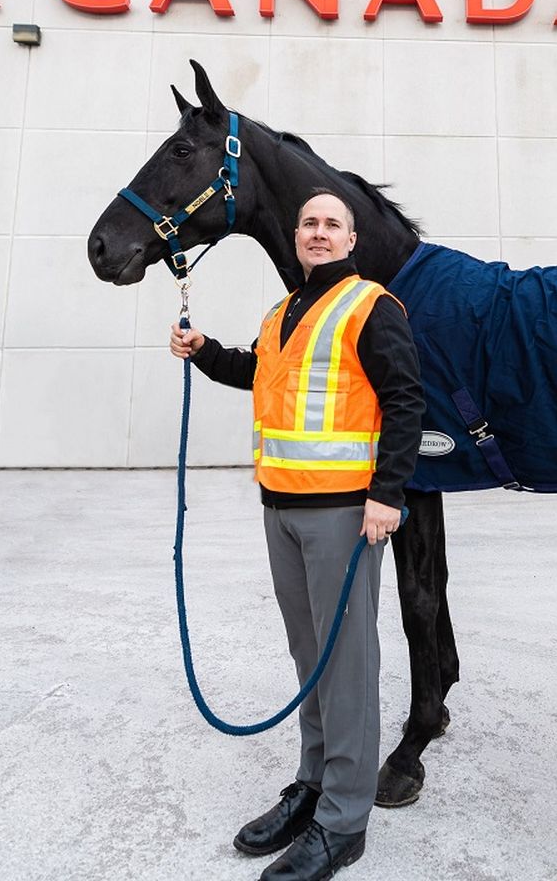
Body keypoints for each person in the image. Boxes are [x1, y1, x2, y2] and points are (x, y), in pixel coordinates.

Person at [169, 188, 424, 881]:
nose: (317, 232)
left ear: (350, 241)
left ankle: (344, 821)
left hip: (346, 514)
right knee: (310, 658)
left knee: (345, 665)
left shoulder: (370, 307)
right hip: (280, 509)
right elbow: (262, 375)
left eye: (330, 224)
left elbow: (406, 400)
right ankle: (313, 786)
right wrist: (204, 352)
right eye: (308, 223)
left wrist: (387, 495)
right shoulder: (284, 311)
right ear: (296, 236)